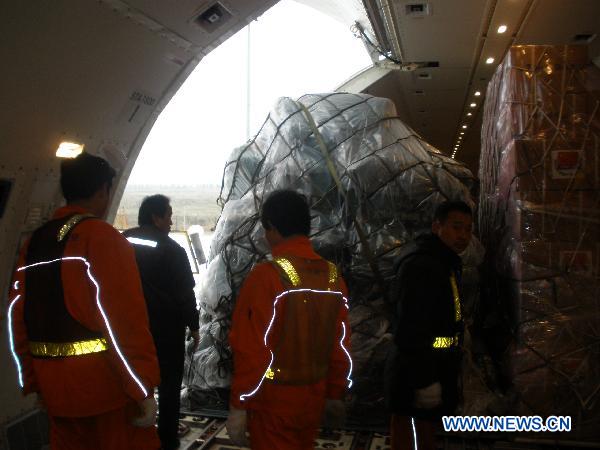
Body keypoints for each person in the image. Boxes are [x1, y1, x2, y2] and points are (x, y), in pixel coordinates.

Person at [7, 152, 160, 449]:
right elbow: (123, 324)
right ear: (103, 190)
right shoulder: (100, 238)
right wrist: (142, 388)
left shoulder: (34, 242)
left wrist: (33, 380)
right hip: (106, 394)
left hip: (55, 393)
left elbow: (17, 315)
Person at [225, 190, 353, 450]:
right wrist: (335, 392)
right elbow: (341, 343)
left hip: (273, 405)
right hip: (313, 401)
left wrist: (239, 404)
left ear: (271, 227)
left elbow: (252, 349)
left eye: (264, 229)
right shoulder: (333, 278)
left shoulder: (266, 277)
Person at [384, 200, 473, 450]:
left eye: (468, 229)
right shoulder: (422, 266)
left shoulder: (445, 261)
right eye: (456, 227)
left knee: (425, 431)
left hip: (436, 364)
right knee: (408, 431)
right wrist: (425, 381)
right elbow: (411, 327)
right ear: (437, 226)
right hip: (415, 367)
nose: (463, 236)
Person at [123, 194, 200, 450]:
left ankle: (134, 435)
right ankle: (167, 439)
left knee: (134, 382)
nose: (171, 220)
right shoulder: (172, 250)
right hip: (166, 330)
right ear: (156, 217)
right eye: (168, 214)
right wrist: (195, 325)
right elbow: (185, 293)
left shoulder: (121, 241)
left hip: (131, 330)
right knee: (169, 385)